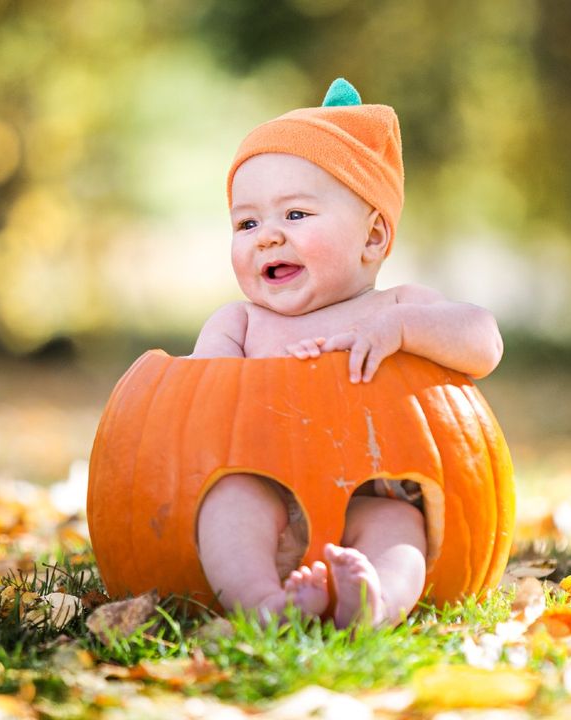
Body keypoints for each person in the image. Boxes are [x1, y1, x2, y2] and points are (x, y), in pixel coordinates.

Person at [190, 78, 503, 628]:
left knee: (399, 526)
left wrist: (402, 329)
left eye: (295, 215)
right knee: (228, 506)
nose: (266, 236)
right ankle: (263, 601)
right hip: (271, 502)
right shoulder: (237, 323)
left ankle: (375, 600)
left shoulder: (399, 307)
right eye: (247, 222)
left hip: (366, 496)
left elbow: (484, 341)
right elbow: (190, 413)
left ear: (373, 238)